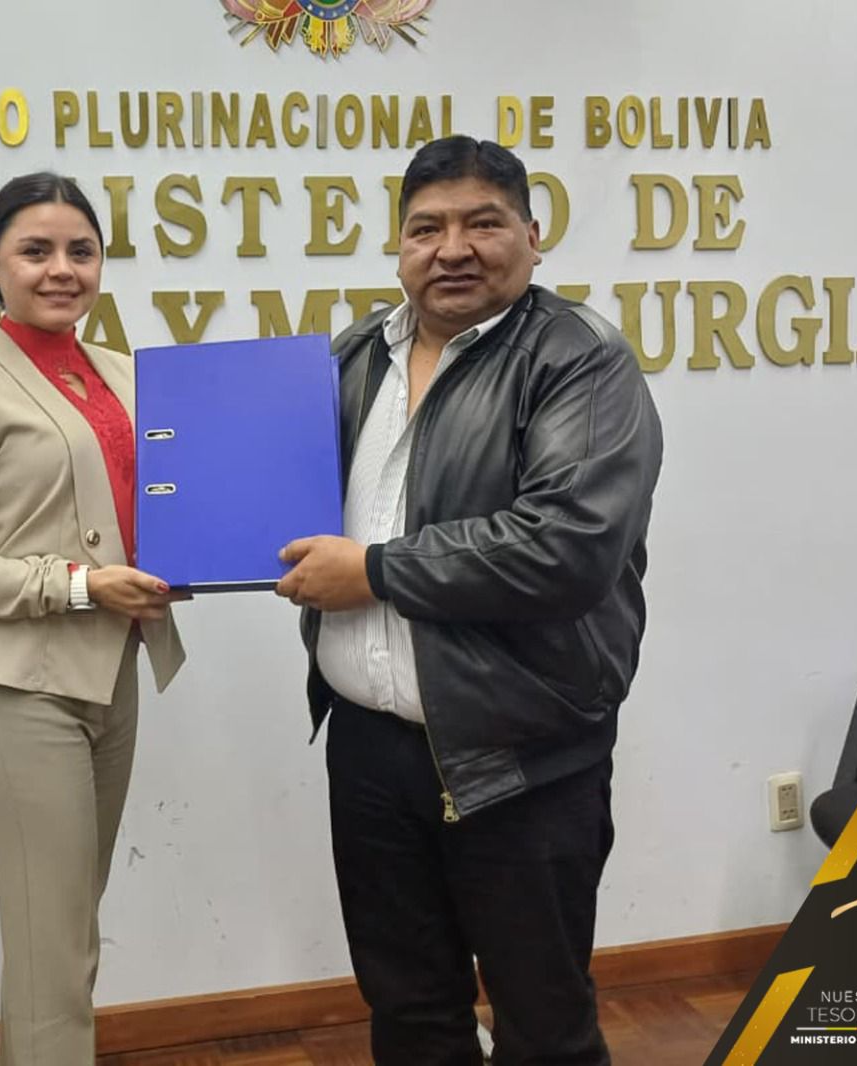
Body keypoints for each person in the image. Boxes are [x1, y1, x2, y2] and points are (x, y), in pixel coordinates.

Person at [275, 135, 663, 1065]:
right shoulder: (355, 355)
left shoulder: (579, 360)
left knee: (543, 1024)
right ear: (398, 247)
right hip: (368, 752)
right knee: (409, 1010)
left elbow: (567, 546)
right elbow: (271, 487)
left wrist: (375, 571)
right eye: (426, 229)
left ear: (532, 235)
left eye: (482, 223)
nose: (452, 249)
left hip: (520, 754)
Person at [0, 172, 186, 1065]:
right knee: (52, 954)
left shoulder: (124, 374)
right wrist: (81, 585)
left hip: (111, 675)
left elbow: (165, 503)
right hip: (16, 694)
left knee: (68, 934)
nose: (62, 269)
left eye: (81, 250)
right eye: (36, 250)